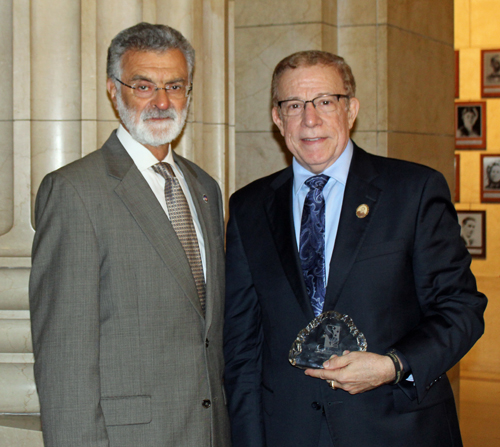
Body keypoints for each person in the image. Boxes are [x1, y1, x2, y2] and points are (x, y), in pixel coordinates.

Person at [223, 50, 487, 447]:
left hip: (397, 428)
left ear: (352, 110)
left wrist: (392, 365)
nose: (310, 120)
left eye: (326, 102)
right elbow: (242, 347)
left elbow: (461, 309)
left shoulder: (413, 191)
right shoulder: (248, 207)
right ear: (278, 119)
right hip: (289, 432)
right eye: (294, 105)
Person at [29, 23, 230, 447]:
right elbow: (65, 356)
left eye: (174, 85)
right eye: (144, 85)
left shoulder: (204, 188)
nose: (161, 101)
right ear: (113, 90)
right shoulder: (75, 191)